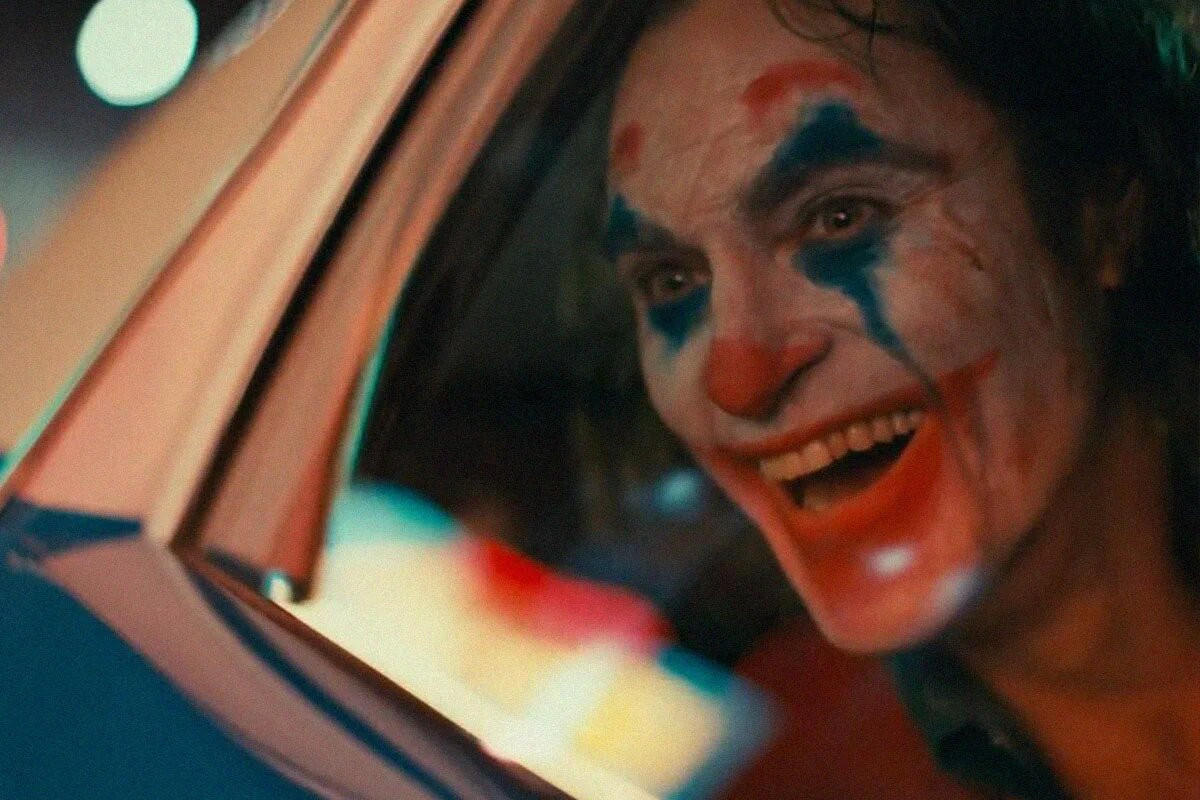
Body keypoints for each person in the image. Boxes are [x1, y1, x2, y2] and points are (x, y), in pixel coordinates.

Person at [604, 0, 1200, 797]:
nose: (737, 379)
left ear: (1099, 206)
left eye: (840, 216)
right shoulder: (763, 767)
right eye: (672, 281)